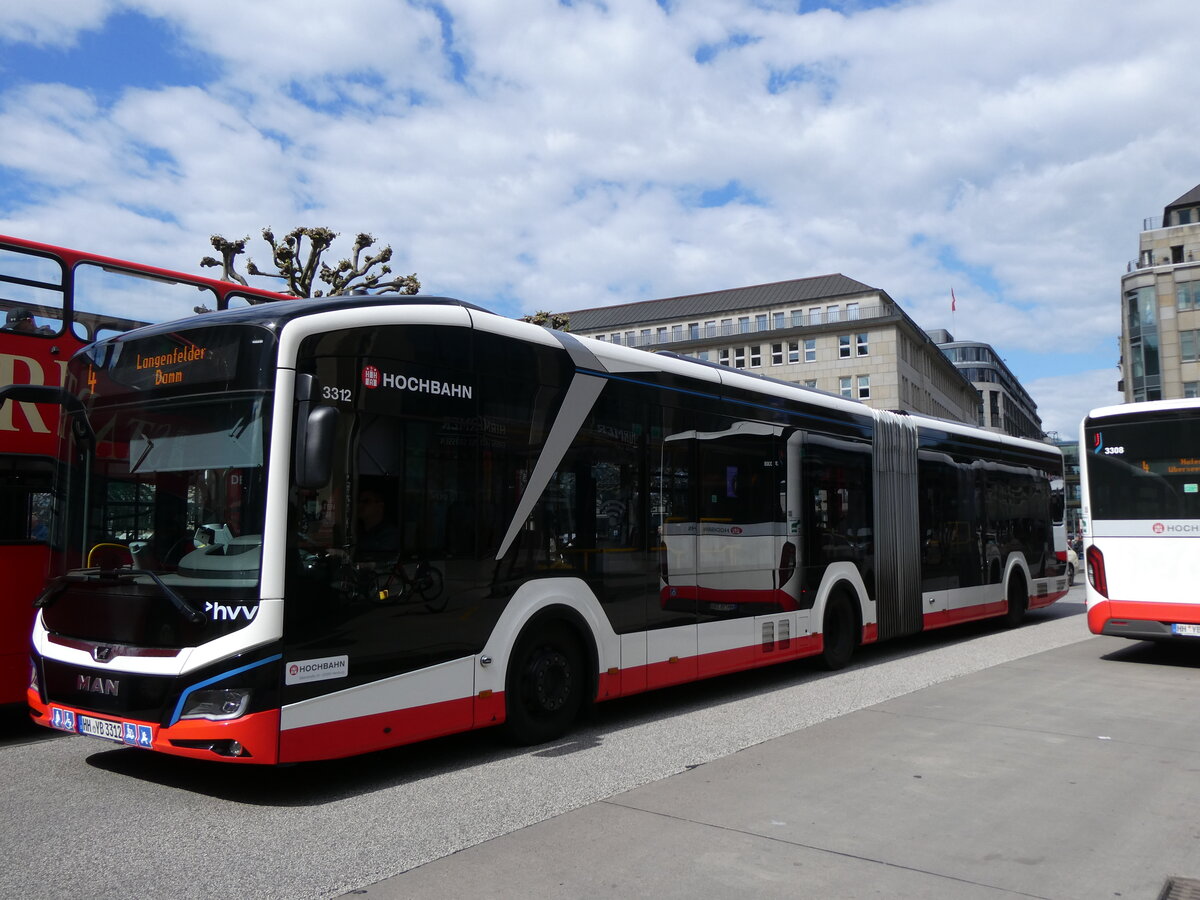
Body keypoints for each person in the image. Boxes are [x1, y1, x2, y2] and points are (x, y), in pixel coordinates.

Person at [357, 487, 401, 558]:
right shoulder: (357, 532)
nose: (360, 505)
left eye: (366, 501)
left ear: (380, 506)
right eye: (359, 501)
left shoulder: (390, 534)